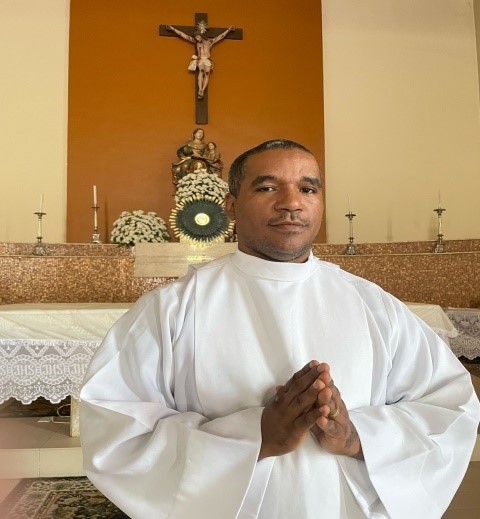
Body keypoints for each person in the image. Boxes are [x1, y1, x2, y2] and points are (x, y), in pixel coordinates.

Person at [80, 139, 480, 519]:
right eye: (268, 187)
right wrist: (255, 436)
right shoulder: (172, 309)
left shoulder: (373, 305)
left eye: (308, 189)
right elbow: (116, 429)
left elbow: (451, 406)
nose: (292, 203)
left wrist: (357, 436)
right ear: (231, 205)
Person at [166, 24, 235, 99]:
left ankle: (203, 90)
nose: (197, 39)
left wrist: (228, 30)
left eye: (198, 37)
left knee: (207, 73)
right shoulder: (196, 43)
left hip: (207, 59)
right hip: (201, 59)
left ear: (201, 36)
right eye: (196, 37)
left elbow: (220, 37)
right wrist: (173, 29)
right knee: (201, 71)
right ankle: (200, 89)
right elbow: (184, 36)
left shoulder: (209, 42)